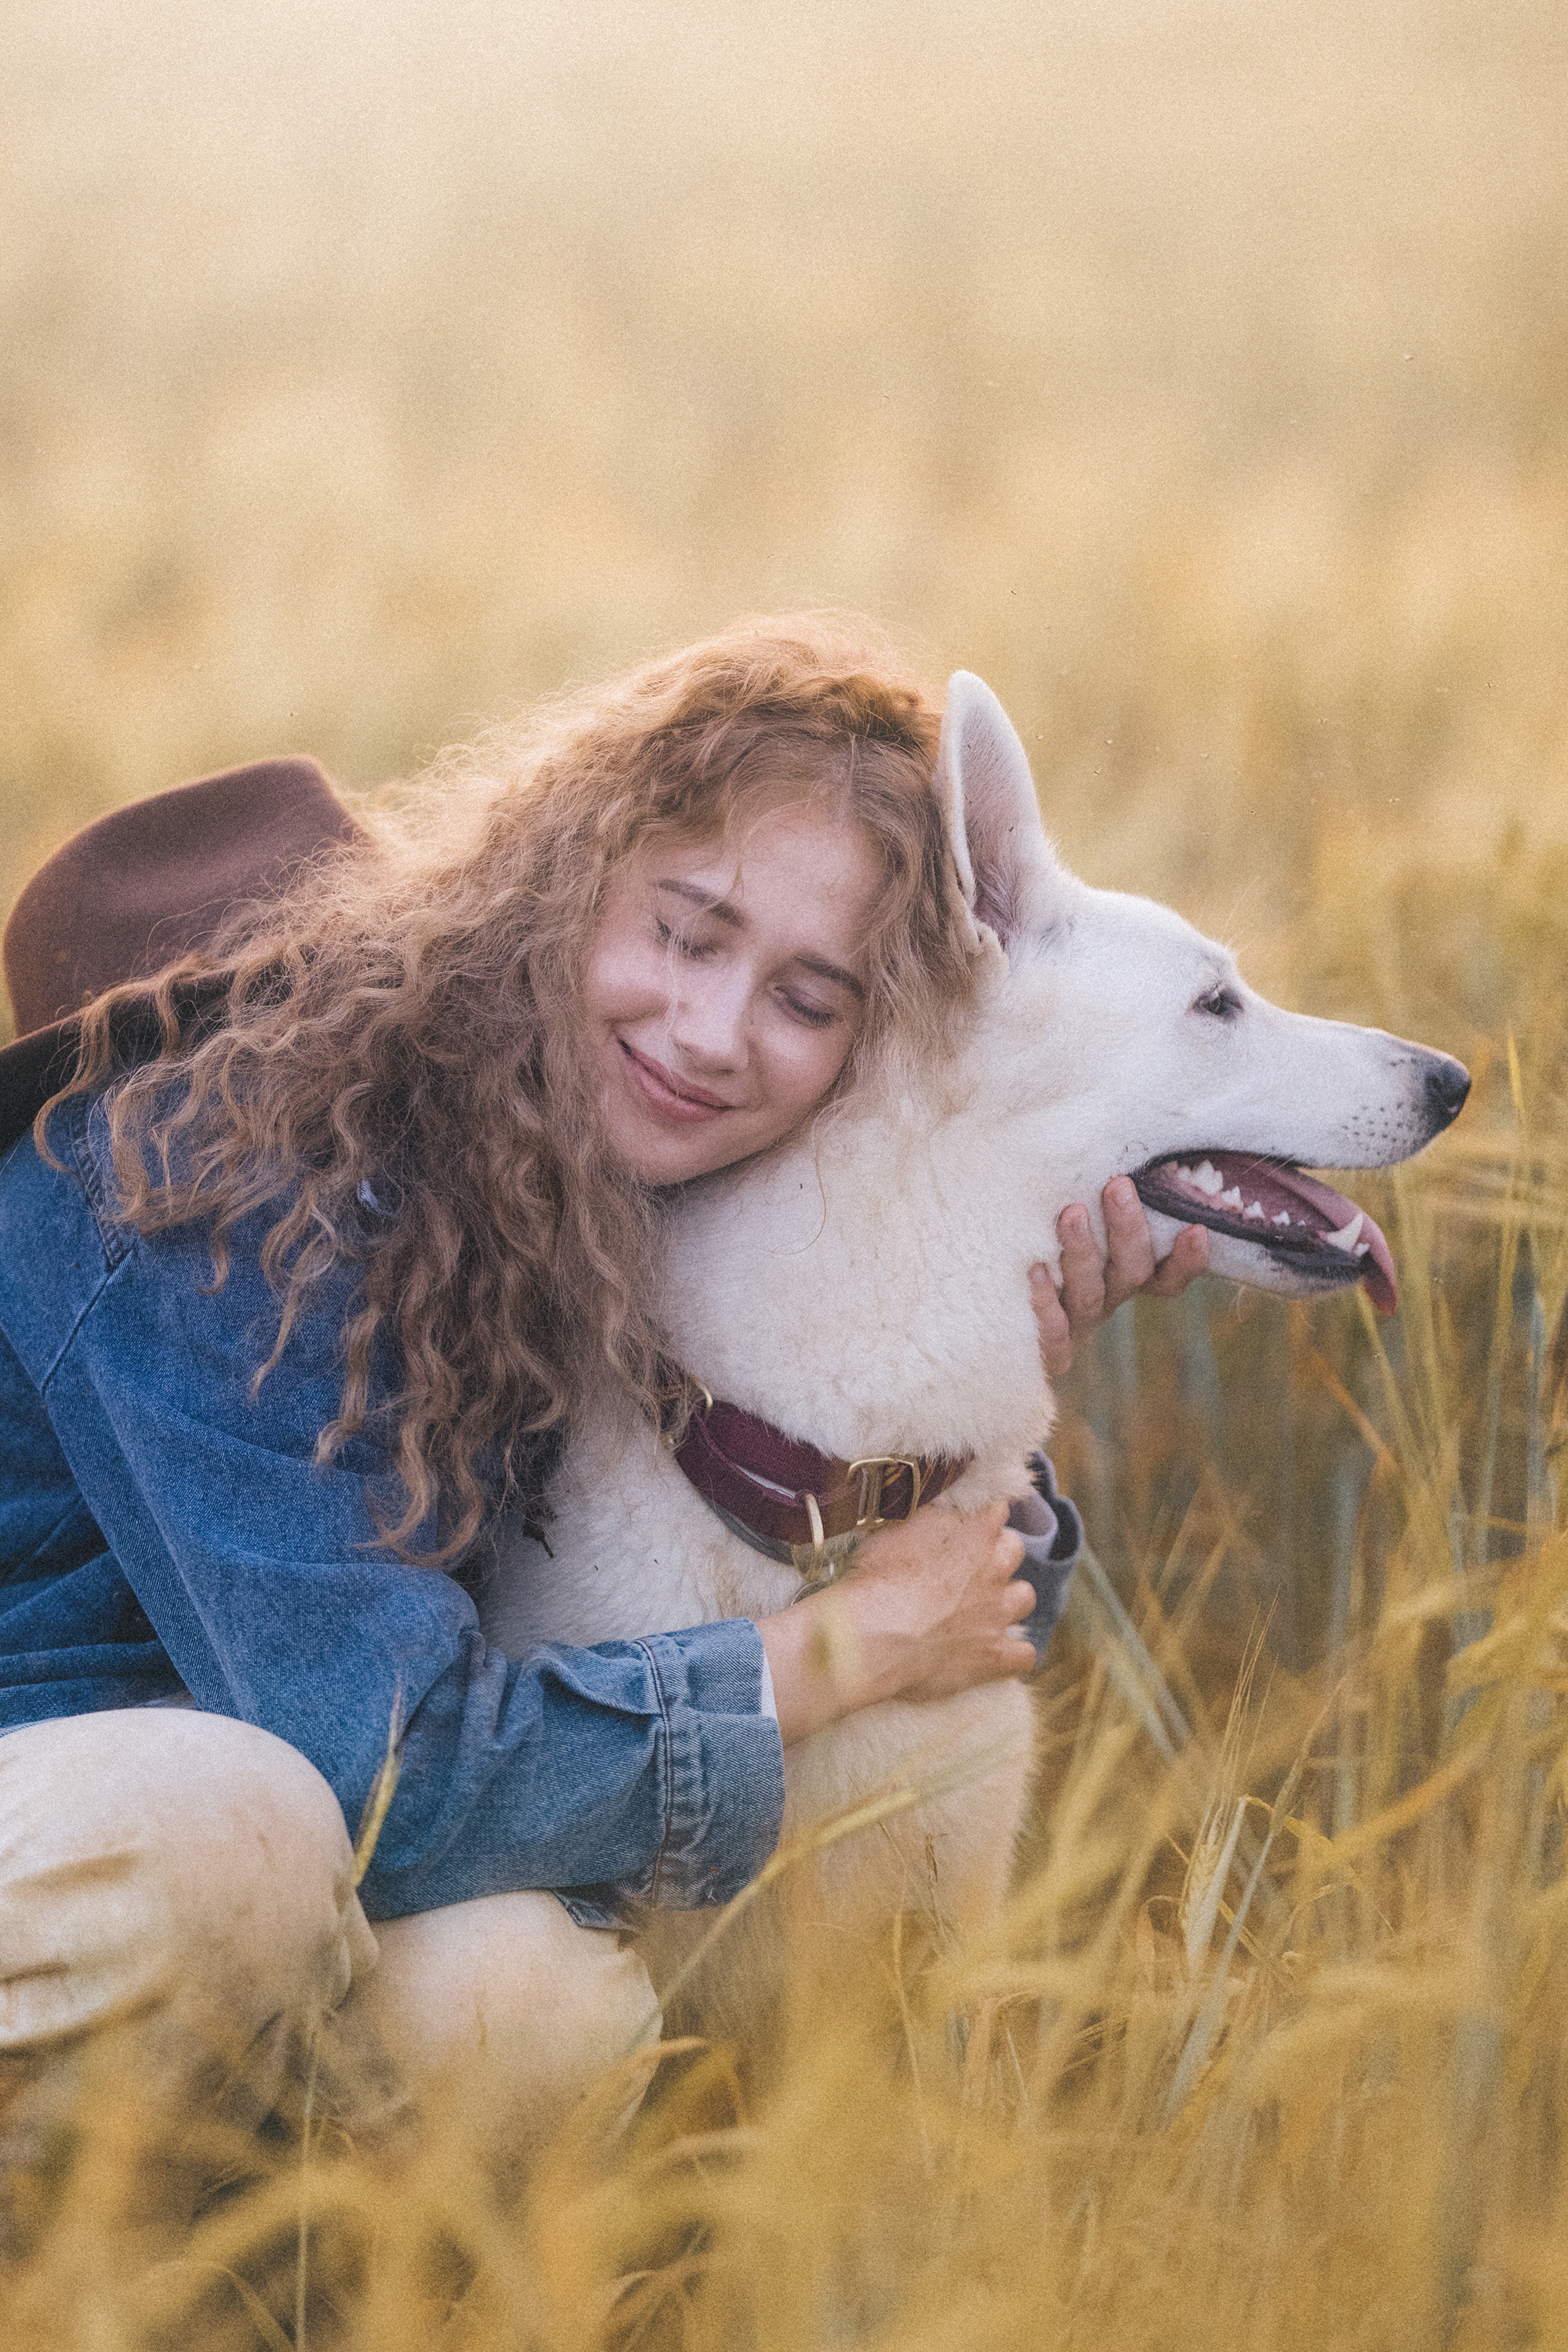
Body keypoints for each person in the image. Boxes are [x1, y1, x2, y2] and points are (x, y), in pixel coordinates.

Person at [0, 616, 1206, 2211]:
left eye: (808, 994)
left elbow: (777, 1549)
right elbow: (387, 1784)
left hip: (296, 1835)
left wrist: (985, 1389)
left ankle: (249, 2290)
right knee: (235, 1825)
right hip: (99, 1797)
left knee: (527, 2010)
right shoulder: (205, 1175)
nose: (710, 1032)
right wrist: (837, 1655)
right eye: (686, 933)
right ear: (561, 883)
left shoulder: (572, 1159)